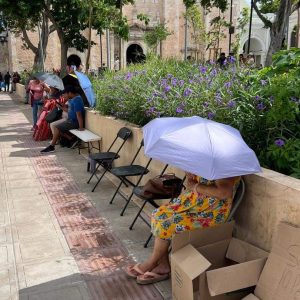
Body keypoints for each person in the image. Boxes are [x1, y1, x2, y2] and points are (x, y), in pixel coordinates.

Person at [124, 173, 241, 284]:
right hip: (193, 203)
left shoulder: (222, 164)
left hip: (210, 212)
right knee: (158, 214)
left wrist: (196, 186)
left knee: (166, 224)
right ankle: (163, 265)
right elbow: (195, 182)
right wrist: (191, 175)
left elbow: (223, 192)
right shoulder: (204, 158)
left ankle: (151, 263)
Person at [40, 85, 85, 153]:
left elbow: (79, 115)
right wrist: (61, 106)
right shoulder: (73, 99)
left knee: (56, 127)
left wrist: (81, 127)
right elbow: (70, 110)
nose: (64, 95)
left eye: (65, 94)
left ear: (69, 93)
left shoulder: (77, 100)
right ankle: (71, 139)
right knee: (55, 126)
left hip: (73, 122)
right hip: (70, 121)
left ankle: (52, 146)